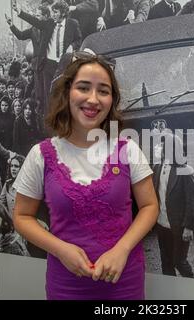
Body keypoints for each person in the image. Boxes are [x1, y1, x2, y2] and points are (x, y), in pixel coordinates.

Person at [12, 52, 159, 299]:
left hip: (124, 284)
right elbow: (22, 216)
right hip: (66, 286)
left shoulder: (127, 149)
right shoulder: (41, 155)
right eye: (83, 88)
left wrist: (121, 250)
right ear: (67, 92)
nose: (93, 99)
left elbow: (150, 206)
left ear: (112, 100)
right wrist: (60, 250)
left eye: (103, 91)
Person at [12, 1, 82, 118]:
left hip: (64, 64)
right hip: (48, 64)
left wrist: (72, 46)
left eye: (55, 12)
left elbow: (78, 39)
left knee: (64, 93)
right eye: (52, 12)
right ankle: (50, 121)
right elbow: (35, 21)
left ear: (63, 13)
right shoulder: (49, 23)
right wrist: (20, 12)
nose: (53, 14)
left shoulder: (73, 24)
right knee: (48, 95)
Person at [152, 132, 194, 278]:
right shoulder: (157, 167)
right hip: (161, 224)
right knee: (166, 262)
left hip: (179, 225)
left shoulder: (185, 170)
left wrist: (189, 227)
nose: (157, 148)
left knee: (179, 261)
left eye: (161, 145)